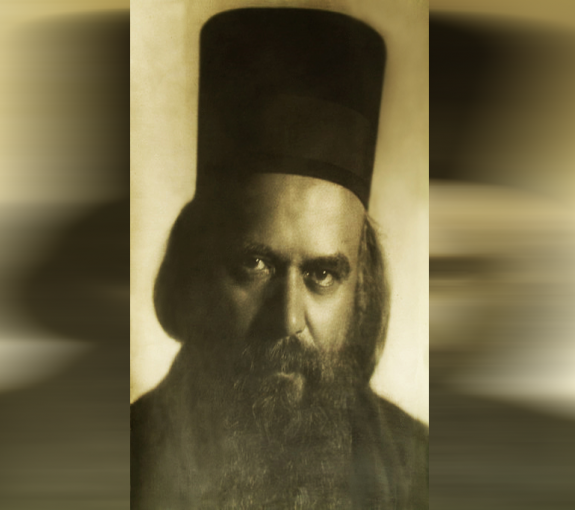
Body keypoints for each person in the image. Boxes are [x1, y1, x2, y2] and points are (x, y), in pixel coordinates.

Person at [131, 8, 428, 509]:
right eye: (256, 265)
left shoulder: (417, 471)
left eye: (323, 274)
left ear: (362, 291)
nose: (288, 319)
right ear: (195, 269)